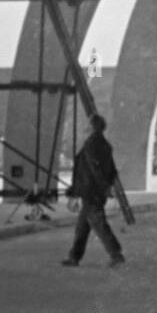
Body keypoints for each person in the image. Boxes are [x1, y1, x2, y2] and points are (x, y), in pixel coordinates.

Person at [61, 114, 125, 268]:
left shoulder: (91, 144)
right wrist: (108, 186)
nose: (85, 126)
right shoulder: (105, 144)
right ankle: (74, 257)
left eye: (88, 123)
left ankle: (116, 254)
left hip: (91, 192)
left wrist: (101, 187)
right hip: (93, 190)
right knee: (82, 226)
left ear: (92, 126)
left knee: (99, 224)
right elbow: (110, 169)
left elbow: (92, 170)